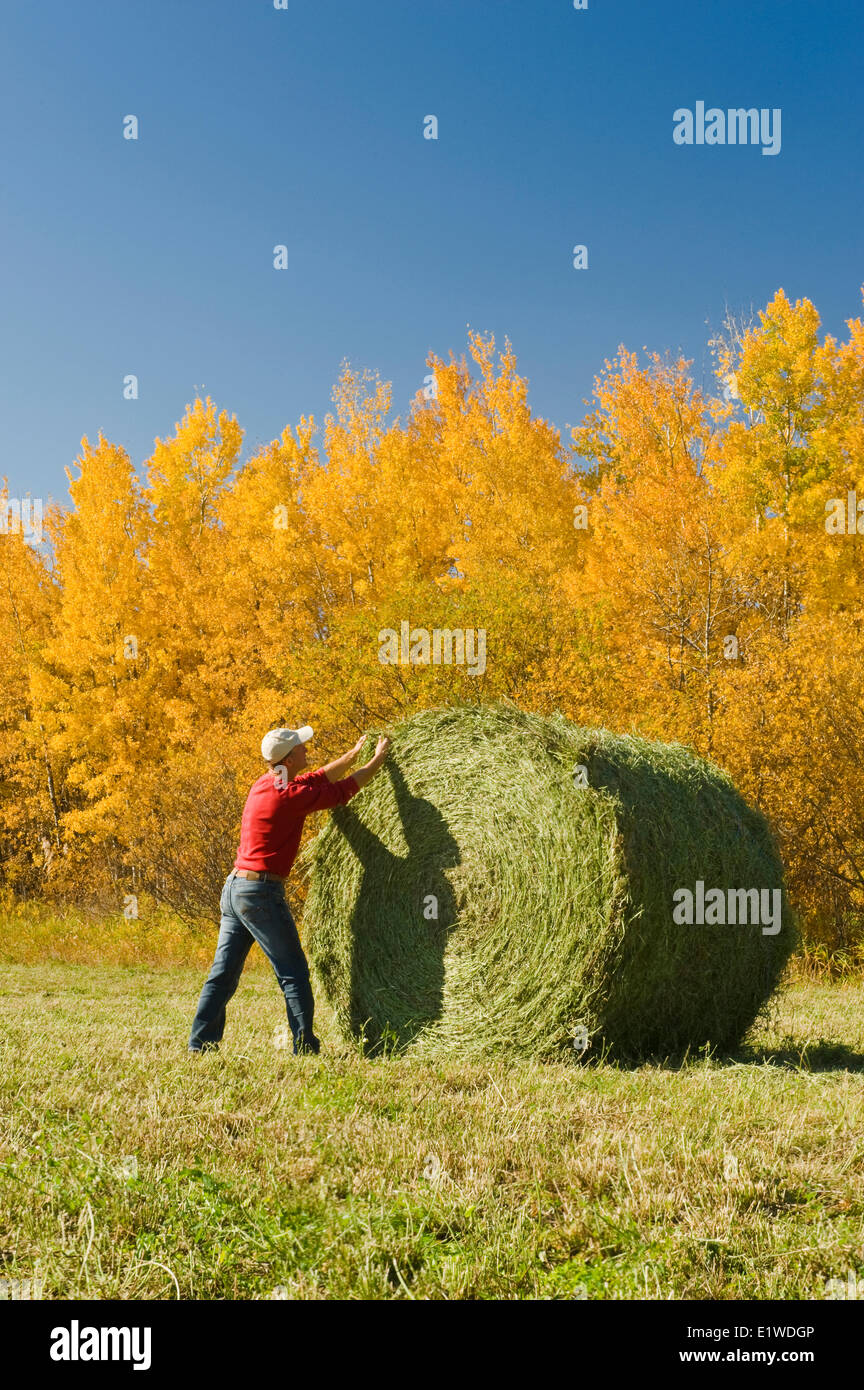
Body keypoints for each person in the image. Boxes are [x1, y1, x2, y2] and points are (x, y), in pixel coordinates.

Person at [188, 724, 391, 1055]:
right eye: (302, 748)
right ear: (290, 756)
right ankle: (304, 1045)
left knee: (222, 974)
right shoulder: (287, 796)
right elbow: (340, 793)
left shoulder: (268, 783)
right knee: (294, 972)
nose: (307, 751)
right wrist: (375, 763)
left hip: (237, 888)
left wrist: (351, 756)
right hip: (261, 895)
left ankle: (200, 1044)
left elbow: (316, 779)